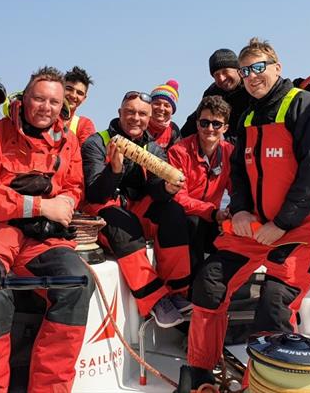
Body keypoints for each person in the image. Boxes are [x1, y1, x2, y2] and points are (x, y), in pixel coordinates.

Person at [185, 38, 310, 388]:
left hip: (302, 229)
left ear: (277, 68)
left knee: (273, 305)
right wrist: (238, 210)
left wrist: (282, 224)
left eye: (259, 68)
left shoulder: (306, 107)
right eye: (246, 70)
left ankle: (264, 384)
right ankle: (201, 372)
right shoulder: (248, 116)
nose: (252, 76)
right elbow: (238, 171)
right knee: (209, 284)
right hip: (253, 226)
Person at [0, 66, 94, 392]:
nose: (46, 107)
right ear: (24, 98)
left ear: (64, 106)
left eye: (53, 102)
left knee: (78, 283)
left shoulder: (69, 142)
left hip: (42, 238)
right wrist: (40, 205)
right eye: (38, 99)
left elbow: (74, 186)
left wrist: (66, 204)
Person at [82, 90, 191, 328]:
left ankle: (177, 291)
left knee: (174, 213)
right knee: (123, 222)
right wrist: (115, 171)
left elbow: (155, 189)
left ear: (149, 118)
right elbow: (94, 192)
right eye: (130, 112)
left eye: (142, 114)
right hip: (104, 211)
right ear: (120, 113)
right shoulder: (96, 143)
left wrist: (168, 188)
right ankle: (154, 299)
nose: (135, 118)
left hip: (136, 208)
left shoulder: (152, 148)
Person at [167, 95, 233, 278]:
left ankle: (223, 281)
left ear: (225, 128)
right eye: (204, 123)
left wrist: (231, 211)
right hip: (186, 218)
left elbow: (238, 190)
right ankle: (192, 286)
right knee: (194, 223)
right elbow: (179, 197)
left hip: (214, 217)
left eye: (216, 124)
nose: (210, 128)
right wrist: (213, 212)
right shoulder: (178, 152)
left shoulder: (230, 152)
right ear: (197, 124)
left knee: (237, 223)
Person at [180, 48, 251, 142]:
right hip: (222, 145)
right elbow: (197, 118)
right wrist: (179, 138)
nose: (221, 78)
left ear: (238, 69)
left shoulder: (251, 86)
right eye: (216, 75)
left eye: (225, 71)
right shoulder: (212, 93)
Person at [62, 66, 97, 144]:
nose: (73, 95)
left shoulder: (84, 125)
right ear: (60, 89)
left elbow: (87, 154)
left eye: (79, 93)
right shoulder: (43, 115)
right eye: (69, 89)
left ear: (84, 99)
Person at [147, 80, 182, 151]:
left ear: (172, 111)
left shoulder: (173, 130)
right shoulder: (141, 123)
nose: (161, 108)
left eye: (166, 105)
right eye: (157, 103)